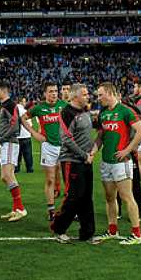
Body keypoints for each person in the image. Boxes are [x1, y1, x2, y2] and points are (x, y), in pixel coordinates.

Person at [90, 82, 141, 246]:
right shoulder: (103, 113)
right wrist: (94, 150)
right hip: (106, 162)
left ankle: (137, 234)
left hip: (121, 162)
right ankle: (112, 230)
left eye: (101, 95)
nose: (98, 98)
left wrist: (127, 150)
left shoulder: (125, 111)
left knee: (127, 197)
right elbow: (100, 136)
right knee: (109, 197)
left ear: (109, 93)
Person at [50, 83, 95, 244]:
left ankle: (87, 233)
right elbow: (66, 139)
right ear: (75, 96)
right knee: (73, 197)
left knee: (86, 198)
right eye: (84, 94)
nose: (88, 96)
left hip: (86, 160)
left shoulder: (85, 111)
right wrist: (84, 155)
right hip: (72, 161)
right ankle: (58, 228)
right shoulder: (67, 113)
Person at [22, 82, 67, 221]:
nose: (54, 94)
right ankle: (51, 210)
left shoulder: (63, 106)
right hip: (48, 146)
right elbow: (23, 118)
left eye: (55, 91)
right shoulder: (39, 108)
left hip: (65, 147)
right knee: (50, 179)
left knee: (69, 180)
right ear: (45, 93)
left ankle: (70, 209)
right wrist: (34, 133)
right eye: (51, 91)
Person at [0, 81, 27, 222]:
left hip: (9, 143)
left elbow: (15, 127)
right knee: (5, 176)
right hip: (6, 143)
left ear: (3, 91)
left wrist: (2, 137)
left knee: (7, 175)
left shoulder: (10, 105)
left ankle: (20, 208)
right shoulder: (5, 106)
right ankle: (16, 208)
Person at [15, 98, 34, 174]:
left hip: (17, 136)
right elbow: (30, 124)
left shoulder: (14, 110)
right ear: (21, 102)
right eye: (24, 101)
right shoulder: (25, 111)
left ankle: (16, 168)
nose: (25, 103)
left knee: (17, 154)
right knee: (28, 154)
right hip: (26, 135)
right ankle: (29, 169)